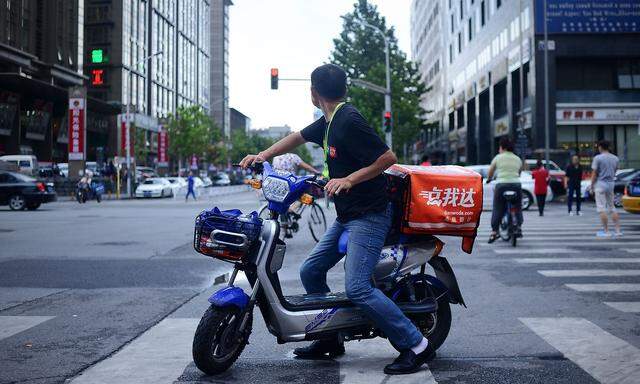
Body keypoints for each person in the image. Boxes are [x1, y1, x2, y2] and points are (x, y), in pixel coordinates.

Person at [239, 64, 432, 375]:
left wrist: (350, 180)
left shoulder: (349, 120)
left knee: (358, 288)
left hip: (369, 216)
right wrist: (262, 155)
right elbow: (295, 138)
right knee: (311, 271)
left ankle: (417, 344)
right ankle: (329, 339)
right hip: (348, 215)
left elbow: (387, 158)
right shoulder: (328, 122)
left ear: (314, 93)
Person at [487, 137, 524, 243]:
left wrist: (489, 179)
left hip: (501, 185)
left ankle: (494, 232)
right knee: (517, 207)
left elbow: (491, 171)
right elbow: (519, 172)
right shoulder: (517, 158)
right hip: (516, 185)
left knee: (498, 208)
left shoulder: (498, 157)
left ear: (502, 147)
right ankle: (518, 226)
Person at [591, 140, 621, 237]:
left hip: (601, 183)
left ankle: (606, 231)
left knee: (601, 208)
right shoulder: (615, 158)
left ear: (600, 147)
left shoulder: (598, 158)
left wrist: (591, 185)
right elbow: (616, 170)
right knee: (612, 207)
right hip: (611, 183)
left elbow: (594, 173)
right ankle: (617, 230)